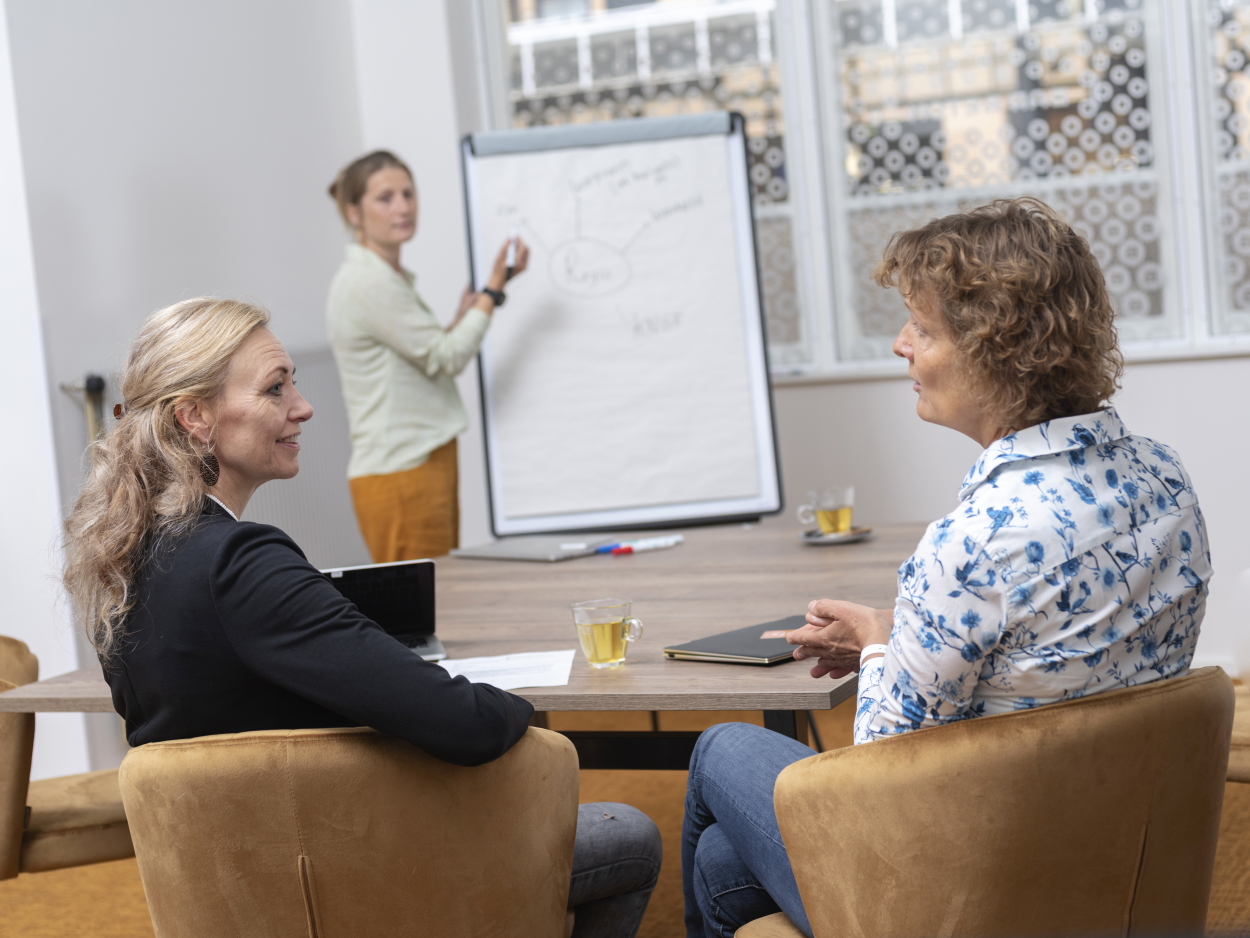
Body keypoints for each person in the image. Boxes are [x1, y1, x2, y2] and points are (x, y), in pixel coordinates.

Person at [681, 198, 1212, 938]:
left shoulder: (972, 543)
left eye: (923, 329)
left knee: (721, 747)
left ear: (1001, 352)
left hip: (974, 885)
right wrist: (892, 631)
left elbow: (881, 776)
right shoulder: (1164, 478)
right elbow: (1047, 650)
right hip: (1110, 845)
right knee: (719, 861)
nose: (901, 345)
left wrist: (877, 651)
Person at [62, 298, 659, 938]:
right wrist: (512, 703)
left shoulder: (127, 561)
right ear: (195, 417)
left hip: (230, 893)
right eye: (275, 388)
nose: (303, 406)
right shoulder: (238, 560)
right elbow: (465, 727)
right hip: (338, 877)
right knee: (630, 835)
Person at [325, 150, 528, 562]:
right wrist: (492, 289)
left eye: (408, 193)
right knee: (427, 611)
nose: (403, 206)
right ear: (354, 213)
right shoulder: (367, 281)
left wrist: (460, 319)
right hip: (401, 469)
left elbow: (426, 358)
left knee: (443, 601)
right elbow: (446, 358)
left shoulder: (385, 277)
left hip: (421, 460)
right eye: (385, 198)